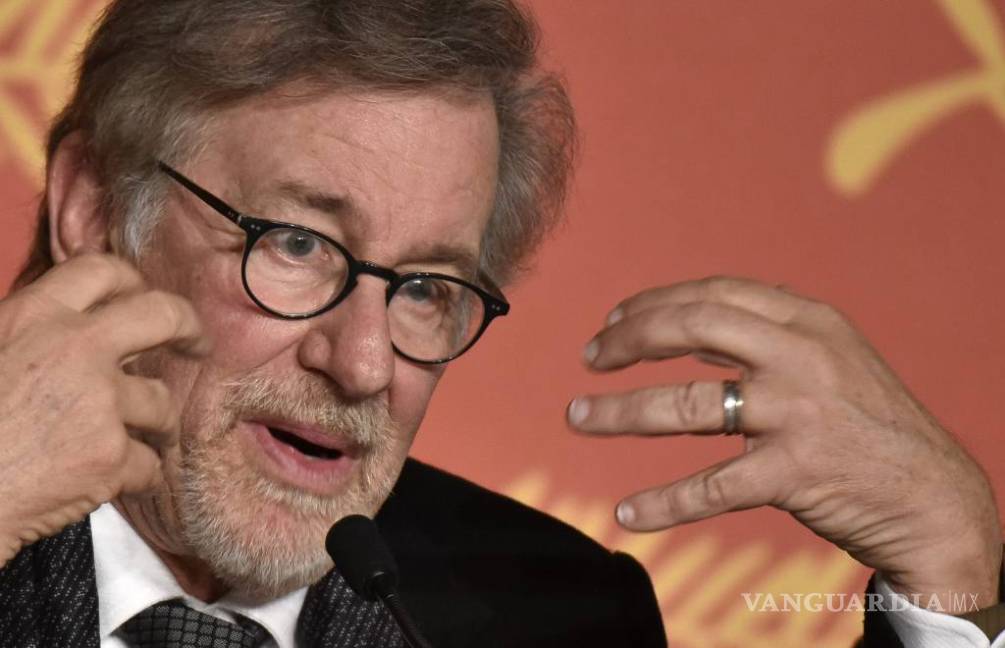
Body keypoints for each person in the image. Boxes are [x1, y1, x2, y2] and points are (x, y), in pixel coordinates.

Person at [0, 2, 999, 648]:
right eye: (298, 244)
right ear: (94, 206)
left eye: (426, 287)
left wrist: (948, 582)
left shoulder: (558, 615)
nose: (363, 363)